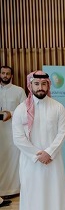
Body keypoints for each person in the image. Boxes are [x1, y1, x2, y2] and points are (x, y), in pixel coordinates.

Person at [12, 71, 65, 210]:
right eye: (37, 84)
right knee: (33, 201)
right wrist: (38, 155)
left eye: (44, 84)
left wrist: (49, 153)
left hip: (52, 163)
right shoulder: (20, 110)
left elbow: (62, 133)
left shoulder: (58, 107)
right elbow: (18, 138)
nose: (40, 87)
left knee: (54, 199)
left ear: (48, 85)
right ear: (30, 85)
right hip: (31, 165)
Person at [0, 65, 26, 201]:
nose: (5, 75)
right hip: (0, 134)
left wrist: (11, 113)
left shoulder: (19, 91)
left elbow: (26, 110)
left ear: (12, 76)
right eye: (3, 73)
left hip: (12, 132)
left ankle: (13, 189)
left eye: (7, 73)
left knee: (13, 160)